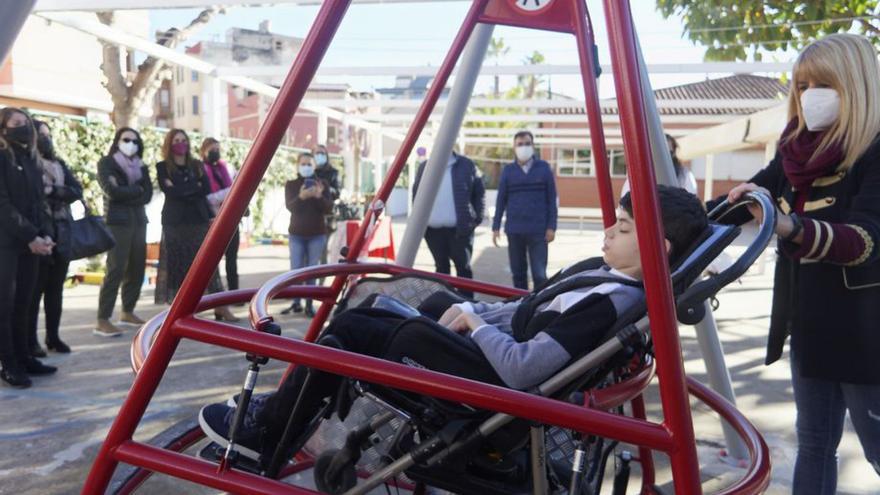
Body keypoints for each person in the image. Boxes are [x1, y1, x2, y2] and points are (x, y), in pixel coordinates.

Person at [197, 186, 708, 466]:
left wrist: (476, 327)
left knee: (358, 334)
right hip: (492, 356)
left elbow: (524, 370)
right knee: (377, 308)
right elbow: (528, 310)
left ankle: (270, 431)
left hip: (501, 388)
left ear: (656, 252)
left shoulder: (607, 301)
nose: (607, 233)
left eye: (621, 229)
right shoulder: (602, 273)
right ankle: (285, 416)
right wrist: (473, 315)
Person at [717, 34, 880, 493]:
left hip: (864, 333)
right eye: (802, 83)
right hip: (809, 323)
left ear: (856, 84)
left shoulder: (875, 150)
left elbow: (865, 240)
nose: (810, 94)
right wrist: (669, 215)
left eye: (823, 82)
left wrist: (790, 227)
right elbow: (743, 200)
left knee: (876, 448)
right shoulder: (794, 150)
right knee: (813, 444)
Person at [154, 129, 238, 322]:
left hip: (198, 220)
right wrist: (193, 187)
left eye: (183, 140)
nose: (180, 143)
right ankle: (178, 311)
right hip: (174, 223)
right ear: (169, 143)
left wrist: (182, 188)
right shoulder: (162, 167)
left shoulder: (197, 165)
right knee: (177, 264)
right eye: (176, 140)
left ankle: (220, 307)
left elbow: (205, 189)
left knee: (207, 264)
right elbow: (171, 192)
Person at [0, 108, 57, 388]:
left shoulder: (31, 158)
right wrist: (30, 236)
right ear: (3, 128)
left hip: (31, 243)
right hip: (7, 244)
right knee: (5, 306)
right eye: (16, 124)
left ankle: (24, 357)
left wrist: (44, 234)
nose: (24, 128)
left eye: (26, 123)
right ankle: (8, 363)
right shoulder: (2, 157)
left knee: (25, 302)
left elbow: (39, 202)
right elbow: (3, 205)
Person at [27, 120, 82, 355]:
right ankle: (31, 341)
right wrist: (57, 193)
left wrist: (54, 191)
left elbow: (76, 190)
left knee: (55, 289)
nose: (46, 139)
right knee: (34, 291)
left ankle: (53, 336)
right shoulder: (28, 163)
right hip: (41, 232)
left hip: (63, 231)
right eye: (41, 134)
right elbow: (33, 195)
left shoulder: (59, 163)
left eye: (49, 134)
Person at [95, 127, 153, 337]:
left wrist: (128, 192)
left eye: (135, 141)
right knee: (116, 268)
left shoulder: (142, 166)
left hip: (139, 221)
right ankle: (103, 319)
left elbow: (147, 194)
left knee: (137, 267)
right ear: (117, 141)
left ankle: (127, 311)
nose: (131, 144)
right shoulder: (106, 163)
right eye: (126, 139)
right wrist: (135, 190)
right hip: (117, 222)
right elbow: (112, 191)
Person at [492, 130, 558, 290]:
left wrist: (551, 227)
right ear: (514, 147)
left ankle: (540, 307)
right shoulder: (508, 171)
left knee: (540, 274)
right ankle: (521, 306)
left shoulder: (544, 169)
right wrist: (495, 227)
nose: (524, 147)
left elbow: (552, 200)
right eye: (520, 144)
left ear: (533, 146)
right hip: (514, 230)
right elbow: (501, 200)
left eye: (527, 143)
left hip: (539, 231)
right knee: (518, 273)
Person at [412, 150, 485, 295]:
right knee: (441, 269)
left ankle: (466, 307)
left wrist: (476, 219)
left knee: (463, 269)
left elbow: (479, 192)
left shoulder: (466, 164)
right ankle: (444, 306)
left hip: (460, 231)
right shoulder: (424, 167)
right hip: (433, 232)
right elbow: (416, 194)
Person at [281, 152, 333, 318]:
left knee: (312, 270)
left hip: (316, 234)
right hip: (296, 233)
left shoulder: (322, 183)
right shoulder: (291, 184)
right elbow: (290, 207)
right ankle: (296, 301)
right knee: (295, 269)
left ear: (314, 166)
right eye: (303, 164)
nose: (306, 167)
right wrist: (301, 197)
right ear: (297, 165)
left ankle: (309, 303)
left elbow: (328, 208)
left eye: (309, 164)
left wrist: (318, 197)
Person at [201, 138, 240, 293]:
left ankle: (234, 292)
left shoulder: (226, 168)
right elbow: (208, 198)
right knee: (212, 261)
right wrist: (230, 192)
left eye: (217, 149)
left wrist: (230, 191)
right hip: (213, 220)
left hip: (231, 218)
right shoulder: (201, 169)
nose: (215, 153)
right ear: (203, 151)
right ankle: (215, 295)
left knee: (232, 259)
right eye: (212, 150)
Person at [620, 134, 697, 196]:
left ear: (673, 153)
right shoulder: (638, 174)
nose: (664, 157)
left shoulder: (684, 174)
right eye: (660, 153)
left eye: (668, 153)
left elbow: (690, 197)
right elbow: (626, 197)